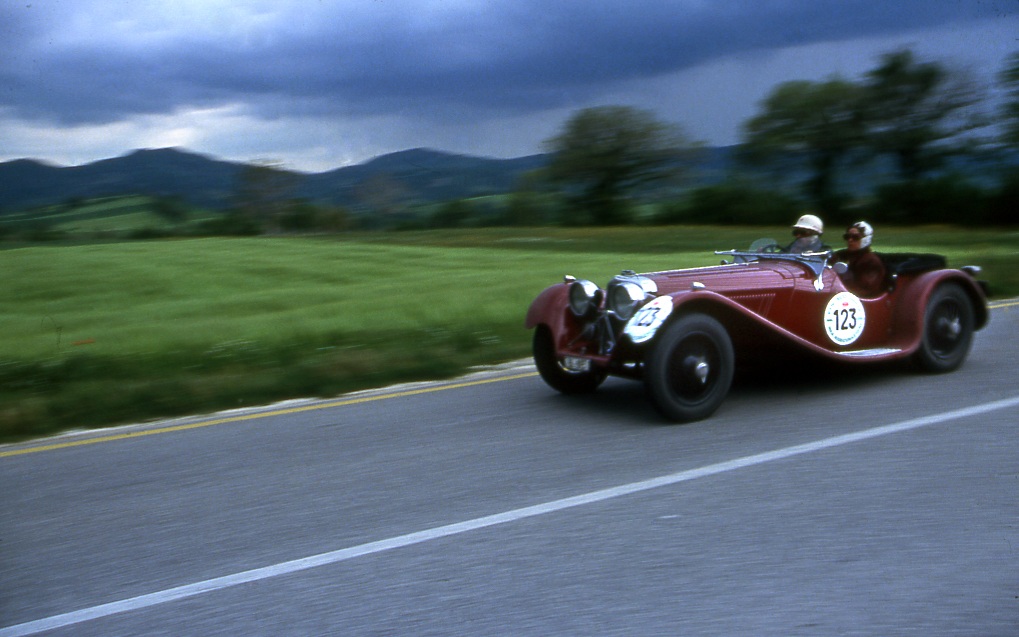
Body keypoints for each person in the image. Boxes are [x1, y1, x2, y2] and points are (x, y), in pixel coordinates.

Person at [833, 221, 886, 297]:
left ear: (866, 239)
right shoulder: (840, 255)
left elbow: (865, 290)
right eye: (847, 237)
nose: (850, 240)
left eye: (855, 237)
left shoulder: (871, 262)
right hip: (838, 295)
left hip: (859, 301)